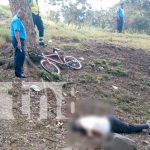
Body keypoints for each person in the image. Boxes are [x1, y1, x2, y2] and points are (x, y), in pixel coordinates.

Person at [71, 115, 150, 138]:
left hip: (111, 123)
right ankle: (141, 129)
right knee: (126, 129)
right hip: (108, 119)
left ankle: (147, 125)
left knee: (128, 128)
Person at [10, 8, 26, 78]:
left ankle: (20, 70)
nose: (23, 17)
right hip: (17, 40)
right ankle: (18, 73)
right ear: (19, 13)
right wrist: (19, 42)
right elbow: (16, 32)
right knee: (18, 56)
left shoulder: (18, 19)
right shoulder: (16, 20)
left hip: (19, 40)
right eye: (23, 15)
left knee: (22, 55)